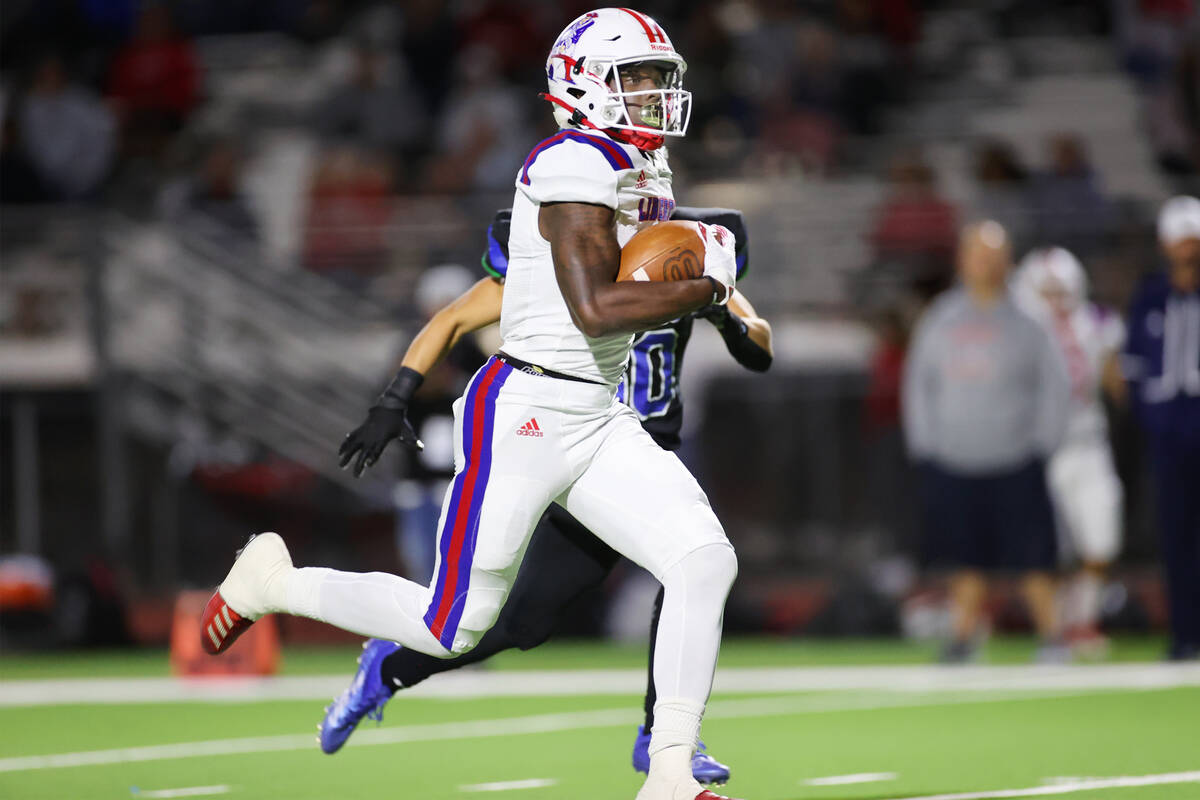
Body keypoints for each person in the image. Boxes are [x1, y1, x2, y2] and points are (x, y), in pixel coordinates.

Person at [202, 11, 745, 800]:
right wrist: (709, 281)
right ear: (584, 84)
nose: (657, 92)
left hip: (596, 412)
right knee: (451, 624)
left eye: (660, 76)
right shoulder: (573, 161)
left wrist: (695, 263)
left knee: (703, 558)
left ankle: (667, 774)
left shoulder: (638, 167)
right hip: (525, 412)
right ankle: (270, 582)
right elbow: (595, 307)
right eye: (637, 77)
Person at [320, 205, 769, 787]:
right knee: (518, 623)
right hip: (582, 460)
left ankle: (662, 738)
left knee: (690, 567)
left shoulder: (682, 246)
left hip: (646, 457)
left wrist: (720, 308)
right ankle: (391, 666)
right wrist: (394, 397)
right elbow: (455, 317)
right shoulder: (568, 248)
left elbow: (759, 346)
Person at [902, 221, 1071, 663]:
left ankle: (1054, 638)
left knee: (1034, 557)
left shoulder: (1031, 320)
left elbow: (1055, 386)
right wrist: (927, 447)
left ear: (1007, 262)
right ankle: (963, 638)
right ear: (963, 260)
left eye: (994, 256)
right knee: (965, 558)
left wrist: (1042, 445)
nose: (985, 264)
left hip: (1017, 458)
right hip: (955, 460)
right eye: (978, 254)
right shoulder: (940, 318)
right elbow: (919, 385)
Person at [1013, 247, 1126, 657]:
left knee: (1102, 541)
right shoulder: (1019, 330)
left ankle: (1080, 621)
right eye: (1047, 291)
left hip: (1089, 444)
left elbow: (1117, 380)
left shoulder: (1097, 323)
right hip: (1042, 451)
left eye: (1061, 290)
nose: (1056, 300)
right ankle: (1059, 629)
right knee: (1051, 550)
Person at [1123, 196, 1200, 661]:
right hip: (1169, 433)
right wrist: (1150, 419)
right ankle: (1184, 633)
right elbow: (1133, 368)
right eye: (1180, 238)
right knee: (1175, 536)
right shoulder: (1151, 295)